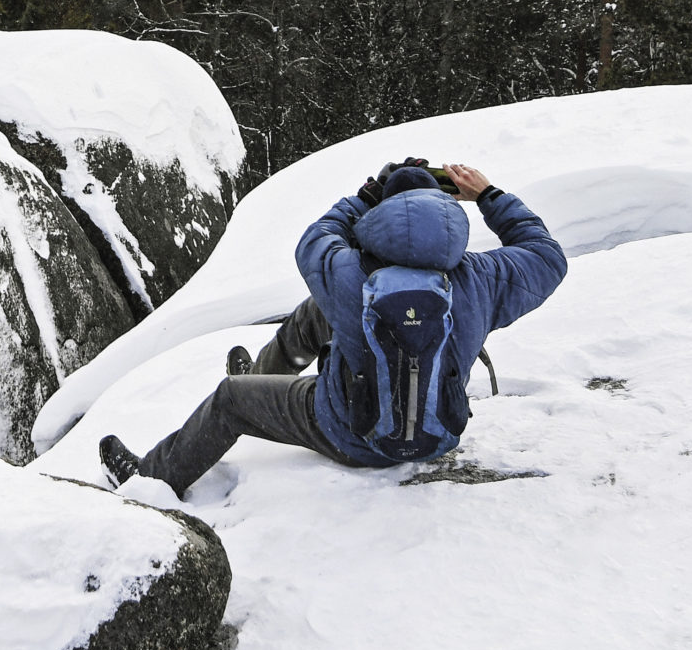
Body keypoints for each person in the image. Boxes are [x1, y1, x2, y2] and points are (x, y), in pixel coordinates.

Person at [100, 159, 567, 497]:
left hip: (347, 433)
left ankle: (150, 480)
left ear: (383, 212)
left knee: (231, 398)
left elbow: (317, 237)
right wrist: (489, 195)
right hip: (439, 434)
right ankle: (269, 373)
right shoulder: (481, 279)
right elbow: (548, 256)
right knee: (315, 310)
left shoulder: (348, 275)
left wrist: (364, 195)